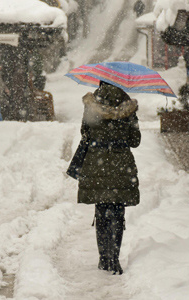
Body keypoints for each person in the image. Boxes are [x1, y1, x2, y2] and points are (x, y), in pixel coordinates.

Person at [74, 81, 141, 275]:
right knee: (118, 212)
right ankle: (115, 258)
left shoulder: (92, 104)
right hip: (121, 166)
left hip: (97, 162)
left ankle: (104, 259)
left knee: (102, 210)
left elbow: (85, 134)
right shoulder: (128, 107)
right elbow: (135, 141)